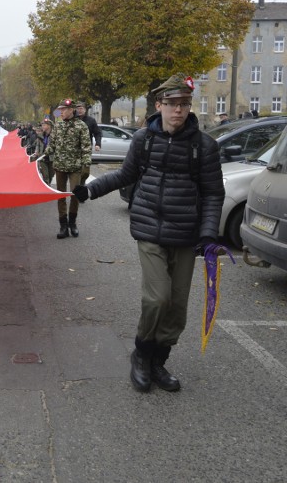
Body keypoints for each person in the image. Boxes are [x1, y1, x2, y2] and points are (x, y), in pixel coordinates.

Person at [72, 74, 224, 393]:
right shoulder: (145, 139)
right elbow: (125, 174)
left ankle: (159, 361)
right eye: (171, 104)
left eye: (184, 104)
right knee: (157, 298)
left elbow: (213, 193)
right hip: (149, 228)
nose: (178, 110)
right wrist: (89, 190)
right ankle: (141, 355)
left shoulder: (204, 146)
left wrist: (209, 234)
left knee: (177, 306)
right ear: (159, 106)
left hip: (185, 234)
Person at [37, 99, 91, 238]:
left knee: (75, 195)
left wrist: (86, 165)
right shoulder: (58, 126)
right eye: (60, 109)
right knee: (60, 196)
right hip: (60, 165)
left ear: (71, 109)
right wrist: (41, 156)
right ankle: (63, 226)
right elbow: (52, 145)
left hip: (75, 167)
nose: (61, 112)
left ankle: (72, 223)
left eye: (63, 109)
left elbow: (86, 147)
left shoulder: (81, 126)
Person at [75, 101, 102, 184]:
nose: (79, 110)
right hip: (74, 149)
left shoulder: (91, 120)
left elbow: (97, 133)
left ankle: (82, 184)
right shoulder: (73, 120)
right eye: (78, 109)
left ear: (85, 110)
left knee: (85, 171)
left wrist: (98, 144)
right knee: (75, 170)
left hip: (86, 149)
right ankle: (76, 186)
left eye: (81, 108)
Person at [33, 118, 54, 185]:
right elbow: (38, 145)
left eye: (44, 125)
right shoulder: (41, 135)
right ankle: (47, 190)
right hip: (42, 158)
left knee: (51, 175)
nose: (42, 126)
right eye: (42, 125)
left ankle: (48, 186)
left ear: (49, 126)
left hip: (52, 158)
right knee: (45, 176)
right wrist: (36, 151)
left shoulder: (54, 135)